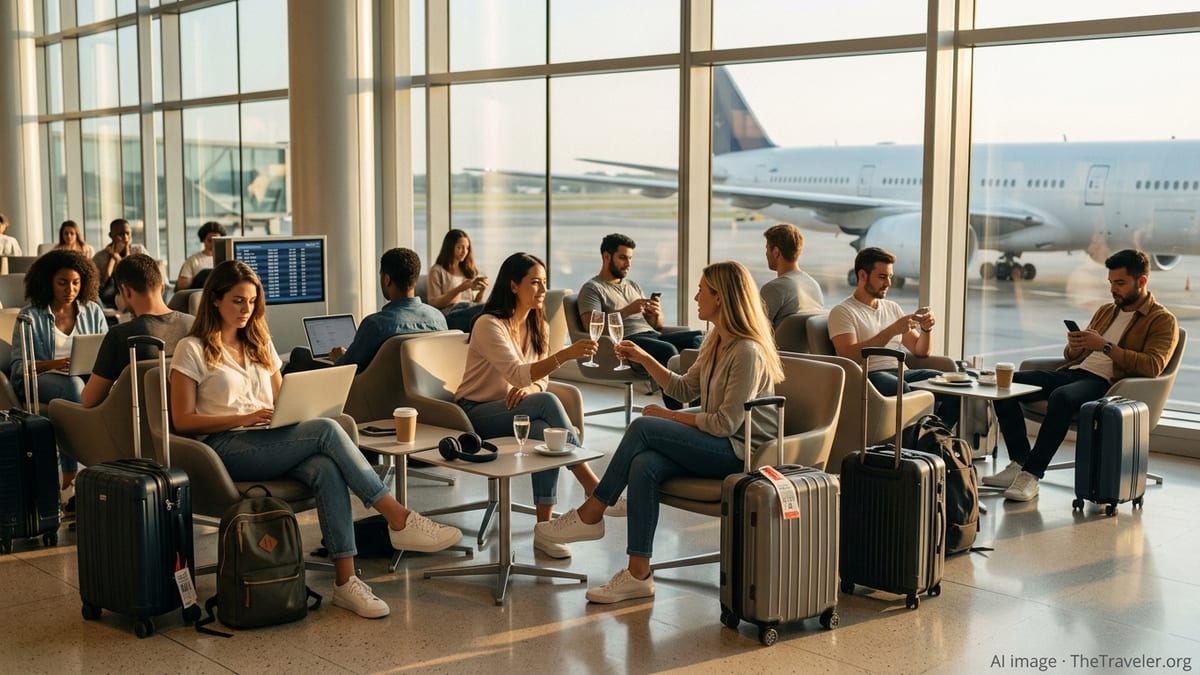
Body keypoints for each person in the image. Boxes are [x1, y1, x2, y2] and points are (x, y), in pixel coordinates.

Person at [169, 260, 463, 619]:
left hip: (269, 439)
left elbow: (282, 402)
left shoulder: (260, 344)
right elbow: (182, 421)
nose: (246, 310)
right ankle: (398, 518)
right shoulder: (192, 348)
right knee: (326, 430)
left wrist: (298, 408)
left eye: (251, 301)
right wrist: (244, 417)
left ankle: (346, 582)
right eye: (237, 301)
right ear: (215, 300)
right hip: (224, 448)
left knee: (325, 466)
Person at [535, 260, 783, 604]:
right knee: (645, 464)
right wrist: (644, 357)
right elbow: (683, 390)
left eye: (701, 290)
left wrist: (670, 418)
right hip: (716, 441)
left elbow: (726, 424)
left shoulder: (746, 351)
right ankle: (638, 574)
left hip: (738, 452)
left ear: (721, 298)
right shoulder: (717, 343)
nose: (695, 296)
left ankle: (592, 511)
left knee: (643, 426)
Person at [986, 249, 1178, 502]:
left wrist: (1106, 347)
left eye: (1120, 283)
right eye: (1111, 283)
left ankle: (1031, 474)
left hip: (1109, 386)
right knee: (1006, 384)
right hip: (1076, 372)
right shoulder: (1106, 311)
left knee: (1062, 397)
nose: (1113, 290)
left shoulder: (1162, 320)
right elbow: (1071, 355)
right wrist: (1075, 346)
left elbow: (1153, 366)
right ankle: (1019, 462)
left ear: (1141, 282)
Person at [454, 252, 612, 559]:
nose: (542, 290)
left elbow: (540, 380)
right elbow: (516, 372)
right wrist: (564, 356)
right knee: (548, 405)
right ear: (513, 286)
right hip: (475, 412)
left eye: (544, 282)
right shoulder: (489, 324)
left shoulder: (538, 325)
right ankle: (594, 486)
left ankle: (545, 531)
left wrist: (526, 390)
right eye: (534, 282)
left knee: (545, 431)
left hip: (515, 408)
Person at [10, 250, 109, 511]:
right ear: (48, 282)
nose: (70, 289)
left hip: (86, 378)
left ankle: (107, 473)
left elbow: (107, 352)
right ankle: (71, 475)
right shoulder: (29, 316)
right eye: (62, 282)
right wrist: (55, 365)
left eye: (76, 282)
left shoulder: (93, 312)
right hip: (40, 380)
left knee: (92, 387)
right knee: (74, 387)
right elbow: (19, 368)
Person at [827, 246, 958, 430]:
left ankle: (933, 438)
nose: (888, 283)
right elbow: (849, 356)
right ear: (863, 275)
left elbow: (920, 351)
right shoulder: (842, 312)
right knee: (901, 387)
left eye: (890, 277)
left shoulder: (892, 307)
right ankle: (915, 442)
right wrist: (892, 330)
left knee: (950, 386)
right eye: (882, 277)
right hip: (868, 376)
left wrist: (926, 330)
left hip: (901, 371)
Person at [577, 233, 704, 409]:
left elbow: (657, 325)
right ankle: (677, 410)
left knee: (699, 338)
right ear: (606, 256)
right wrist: (628, 310)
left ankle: (698, 405)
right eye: (622, 258)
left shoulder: (633, 286)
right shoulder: (592, 288)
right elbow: (591, 326)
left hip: (652, 335)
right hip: (627, 341)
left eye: (630, 258)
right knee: (667, 350)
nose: (628, 264)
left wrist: (655, 314)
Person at [285, 247, 447, 373]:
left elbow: (347, 367)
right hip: (418, 397)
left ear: (386, 279)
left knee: (300, 354)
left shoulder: (376, 324)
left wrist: (339, 357)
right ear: (416, 278)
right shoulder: (438, 318)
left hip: (368, 396)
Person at [81, 254, 194, 408]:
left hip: (131, 425)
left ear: (125, 291)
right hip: (181, 422)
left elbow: (90, 400)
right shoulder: (193, 325)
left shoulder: (121, 335)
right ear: (162, 287)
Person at [760, 222, 823, 328]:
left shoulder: (774, 288)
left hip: (777, 344)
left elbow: (753, 329)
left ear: (776, 252)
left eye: (767, 248)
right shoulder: (813, 284)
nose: (766, 253)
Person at [428, 229, 489, 332]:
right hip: (449, 315)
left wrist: (482, 291)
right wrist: (459, 289)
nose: (464, 251)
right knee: (487, 308)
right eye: (460, 247)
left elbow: (474, 303)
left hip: (469, 309)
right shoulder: (437, 270)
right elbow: (433, 303)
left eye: (467, 248)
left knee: (490, 307)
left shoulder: (467, 271)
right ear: (449, 248)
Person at [93, 218, 148, 307]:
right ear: (111, 235)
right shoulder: (100, 257)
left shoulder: (139, 250)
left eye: (127, 233)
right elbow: (101, 285)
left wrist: (122, 256)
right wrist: (113, 257)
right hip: (109, 296)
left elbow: (146, 276)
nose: (125, 238)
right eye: (120, 234)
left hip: (136, 292)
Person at [175, 221, 226, 291]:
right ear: (203, 240)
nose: (213, 244)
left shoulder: (226, 259)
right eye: (210, 240)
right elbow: (182, 287)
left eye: (216, 240)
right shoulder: (193, 260)